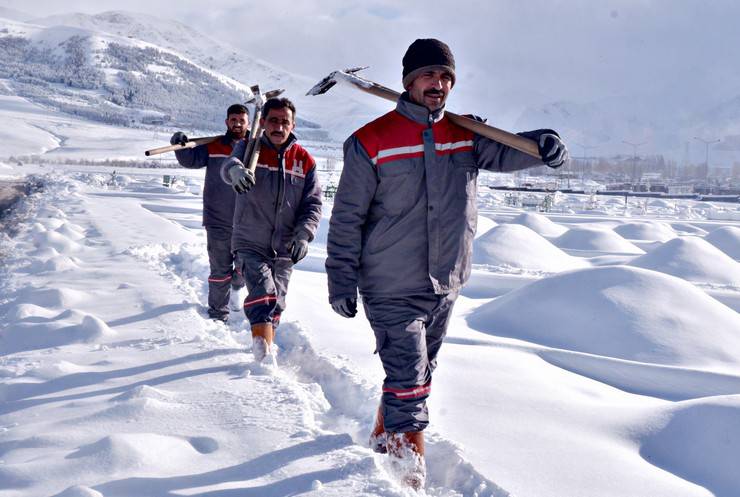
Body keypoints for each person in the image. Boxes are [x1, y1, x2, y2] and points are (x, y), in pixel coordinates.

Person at [325, 38, 568, 489]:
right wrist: (340, 278)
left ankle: (385, 439)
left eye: (445, 77)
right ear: (409, 81)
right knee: (410, 381)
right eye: (428, 75)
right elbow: (347, 217)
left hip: (446, 281)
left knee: (418, 376)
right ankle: (404, 477)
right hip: (390, 282)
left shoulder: (467, 136)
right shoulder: (369, 142)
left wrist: (544, 144)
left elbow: (512, 151)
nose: (437, 84)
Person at [220, 97, 322, 362]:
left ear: (293, 124)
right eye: (273, 121)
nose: (279, 127)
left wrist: (304, 235)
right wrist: (236, 172)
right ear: (263, 122)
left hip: (286, 247)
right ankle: (263, 357)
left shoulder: (305, 161)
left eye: (284, 122)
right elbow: (228, 165)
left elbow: (312, 204)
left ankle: (266, 343)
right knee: (263, 293)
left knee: (277, 302)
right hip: (250, 240)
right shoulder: (248, 148)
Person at [170, 104, 250, 322]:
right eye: (233, 120)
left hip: (249, 221)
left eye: (241, 120)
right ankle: (218, 314)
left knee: (246, 267)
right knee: (220, 269)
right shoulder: (214, 146)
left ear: (248, 122)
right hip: (218, 218)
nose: (237, 123)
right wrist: (179, 143)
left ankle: (236, 286)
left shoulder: (256, 148)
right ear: (227, 122)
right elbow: (190, 159)